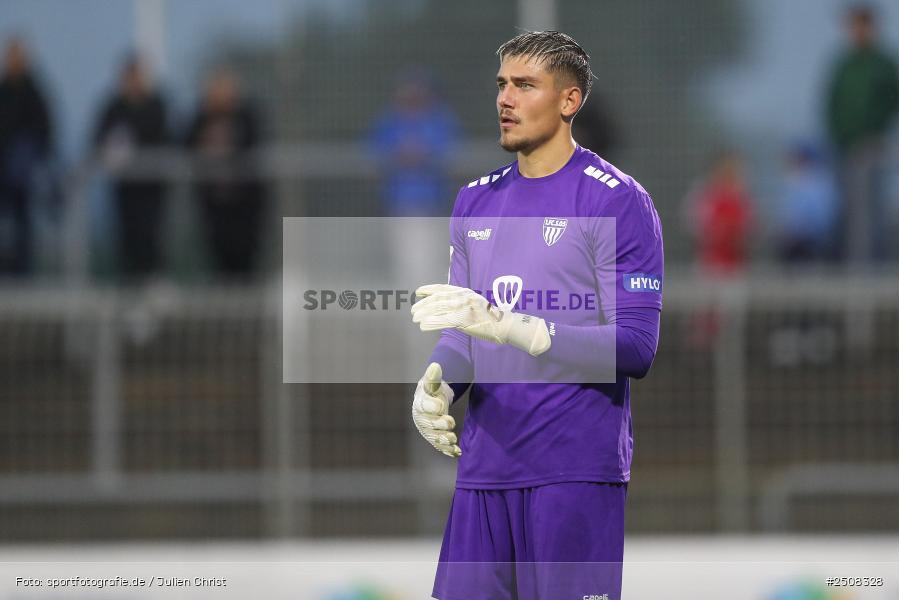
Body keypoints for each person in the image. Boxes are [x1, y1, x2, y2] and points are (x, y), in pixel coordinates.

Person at [408, 31, 663, 600]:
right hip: (483, 471)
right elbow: (464, 326)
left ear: (570, 102)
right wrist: (437, 387)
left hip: (573, 472)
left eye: (526, 85)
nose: (506, 99)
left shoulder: (616, 200)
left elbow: (637, 346)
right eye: (502, 84)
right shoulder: (474, 201)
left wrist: (521, 328)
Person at [825, 4, 899, 263]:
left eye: (861, 26)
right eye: (852, 26)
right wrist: (836, 134)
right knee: (847, 210)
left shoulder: (883, 64)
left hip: (872, 146)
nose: (856, 32)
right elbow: (831, 103)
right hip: (844, 147)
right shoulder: (844, 65)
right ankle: (849, 268)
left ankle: (874, 270)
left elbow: (892, 99)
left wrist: (877, 126)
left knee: (872, 213)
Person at [93, 55, 169, 281]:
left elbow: (165, 139)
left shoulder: (156, 106)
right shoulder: (113, 108)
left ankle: (153, 279)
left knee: (151, 235)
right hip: (125, 188)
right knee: (126, 238)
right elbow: (98, 139)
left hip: (152, 188)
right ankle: (128, 282)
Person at [185, 67, 266, 279]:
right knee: (219, 264)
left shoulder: (246, 115)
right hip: (214, 205)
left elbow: (253, 142)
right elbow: (187, 144)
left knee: (246, 264)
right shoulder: (202, 118)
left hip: (245, 206)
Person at [0, 38, 53, 276]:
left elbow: (45, 130)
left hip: (23, 175)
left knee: (23, 226)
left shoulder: (35, 92)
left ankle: (22, 272)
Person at [776, 143, 838, 263]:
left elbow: (819, 217)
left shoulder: (814, 183)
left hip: (810, 238)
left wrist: (798, 231)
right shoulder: (799, 181)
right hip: (801, 236)